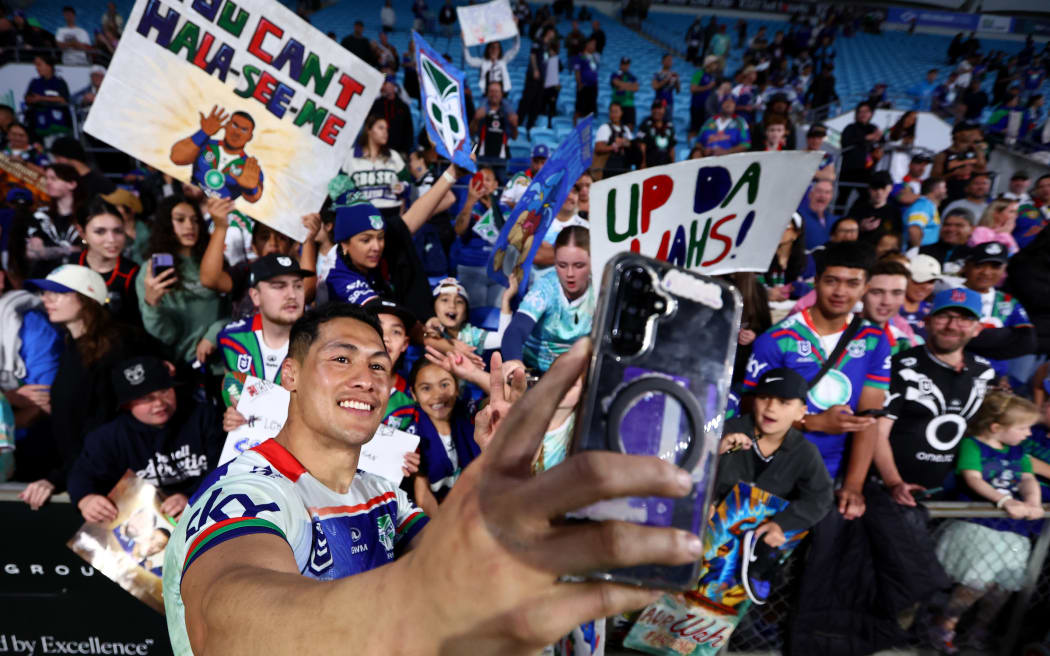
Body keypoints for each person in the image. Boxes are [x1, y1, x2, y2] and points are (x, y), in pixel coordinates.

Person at [162, 302, 702, 655]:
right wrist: (414, 604)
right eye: (341, 358)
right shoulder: (248, 490)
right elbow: (227, 619)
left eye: (378, 365)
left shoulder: (377, 491)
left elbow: (457, 550)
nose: (365, 378)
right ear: (291, 375)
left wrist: (495, 468)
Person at [744, 240, 889, 509]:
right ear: (816, 281)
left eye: (852, 283)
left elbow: (869, 418)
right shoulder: (777, 339)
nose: (840, 292)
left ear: (866, 288)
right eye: (831, 281)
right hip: (772, 475)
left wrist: (853, 487)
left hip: (832, 480)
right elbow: (751, 407)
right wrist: (813, 422)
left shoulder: (874, 340)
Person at [18, 265, 152, 511]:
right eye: (45, 293)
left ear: (86, 298)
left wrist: (58, 477)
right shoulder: (73, 346)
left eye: (57, 293)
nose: (46, 299)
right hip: (87, 478)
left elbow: (108, 426)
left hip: (116, 488)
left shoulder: (118, 347)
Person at [928, 392, 1043, 653]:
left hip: (1010, 531)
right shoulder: (972, 445)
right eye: (1023, 428)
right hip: (979, 524)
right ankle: (945, 625)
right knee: (973, 585)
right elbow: (973, 478)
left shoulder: (1018, 451)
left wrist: (1032, 502)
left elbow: (1027, 479)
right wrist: (1004, 502)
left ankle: (979, 629)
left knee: (1001, 590)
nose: (1027, 434)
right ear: (996, 427)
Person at [715, 368, 833, 604]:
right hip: (707, 528)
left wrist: (782, 525)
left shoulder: (804, 453)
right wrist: (716, 451)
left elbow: (821, 496)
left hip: (757, 533)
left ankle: (759, 561)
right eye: (763, 398)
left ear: (801, 412)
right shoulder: (730, 432)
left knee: (721, 607)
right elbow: (686, 468)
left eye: (784, 402)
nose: (771, 407)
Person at [876, 286, 994, 510]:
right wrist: (894, 483)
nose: (952, 326)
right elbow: (877, 433)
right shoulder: (900, 366)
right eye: (944, 316)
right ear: (927, 321)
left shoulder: (983, 372)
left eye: (964, 319)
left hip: (948, 492)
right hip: (892, 492)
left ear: (977, 328)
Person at [68, 355, 224, 523]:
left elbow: (226, 468)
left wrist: (193, 497)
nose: (159, 403)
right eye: (146, 398)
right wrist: (86, 499)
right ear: (127, 404)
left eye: (164, 391)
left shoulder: (203, 416)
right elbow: (81, 475)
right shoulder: (110, 437)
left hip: (209, 513)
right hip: (144, 526)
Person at [326, 161, 462, 321]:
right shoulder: (337, 273)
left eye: (381, 237)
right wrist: (424, 332)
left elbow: (412, 219)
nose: (376, 247)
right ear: (344, 245)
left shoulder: (370, 251)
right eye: (365, 240)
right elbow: (382, 313)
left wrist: (452, 173)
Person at [136, 197, 227, 371]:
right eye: (180, 219)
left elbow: (238, 309)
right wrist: (152, 304)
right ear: (165, 224)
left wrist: (215, 333)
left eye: (195, 220)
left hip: (228, 356)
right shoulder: (149, 272)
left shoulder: (214, 261)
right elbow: (168, 335)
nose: (189, 226)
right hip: (186, 366)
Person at [217, 254, 311, 415]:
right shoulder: (231, 338)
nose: (292, 295)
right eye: (279, 286)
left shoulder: (320, 342)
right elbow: (230, 384)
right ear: (255, 296)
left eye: (298, 286)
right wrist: (234, 415)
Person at [502, 226, 594, 374]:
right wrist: (515, 363)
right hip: (538, 371)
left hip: (578, 373)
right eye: (562, 265)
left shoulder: (600, 290)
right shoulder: (546, 287)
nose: (569, 274)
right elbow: (516, 330)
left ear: (592, 262)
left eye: (579, 265)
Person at [406, 357, 481, 516]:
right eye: (426, 388)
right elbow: (423, 494)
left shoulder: (471, 414)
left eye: (445, 384)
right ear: (414, 393)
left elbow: (507, 402)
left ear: (458, 387)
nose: (438, 395)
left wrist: (475, 374)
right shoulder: (411, 434)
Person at [961, 242, 1037, 384]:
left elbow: (1028, 342)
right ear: (967, 265)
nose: (987, 272)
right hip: (958, 373)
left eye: (995, 266)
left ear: (1004, 269)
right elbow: (953, 335)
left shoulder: (1008, 301)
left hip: (996, 378)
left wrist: (973, 340)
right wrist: (1004, 336)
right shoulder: (951, 295)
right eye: (979, 265)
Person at [169, 107, 263, 203]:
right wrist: (203, 133)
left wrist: (249, 189)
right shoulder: (205, 144)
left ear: (250, 137)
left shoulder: (250, 167)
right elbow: (176, 158)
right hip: (187, 199)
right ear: (226, 126)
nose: (237, 133)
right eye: (234, 125)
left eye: (244, 130)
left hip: (217, 210)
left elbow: (254, 198)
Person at [74, 197, 141, 328]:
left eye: (118, 231)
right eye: (100, 232)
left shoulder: (132, 274)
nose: (111, 239)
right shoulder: (69, 267)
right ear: (82, 233)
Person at [451, 166, 502, 307]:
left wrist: (492, 208)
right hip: (471, 267)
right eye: (480, 179)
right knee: (474, 315)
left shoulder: (504, 208)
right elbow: (459, 230)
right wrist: (470, 201)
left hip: (497, 270)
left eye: (488, 180)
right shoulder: (469, 206)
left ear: (496, 185)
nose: (484, 183)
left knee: (497, 316)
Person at [342, 115, 410, 221]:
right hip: (362, 215)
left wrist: (402, 187)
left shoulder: (393, 156)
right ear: (369, 130)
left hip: (392, 214)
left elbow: (407, 183)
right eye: (380, 128)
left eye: (386, 129)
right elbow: (342, 190)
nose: (385, 132)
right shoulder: (351, 156)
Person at [25, 163, 82, 278]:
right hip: (44, 278)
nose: (48, 182)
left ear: (72, 184)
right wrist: (69, 250)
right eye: (47, 178)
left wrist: (48, 250)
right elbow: (32, 253)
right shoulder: (41, 215)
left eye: (54, 179)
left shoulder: (86, 215)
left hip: (78, 278)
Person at [863, 260, 921, 355]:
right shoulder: (838, 332)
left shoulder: (902, 342)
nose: (886, 302)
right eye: (877, 292)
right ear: (862, 292)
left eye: (896, 293)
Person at [836, 101, 883, 213]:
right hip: (849, 169)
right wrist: (867, 137)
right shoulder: (850, 128)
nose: (863, 114)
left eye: (866, 111)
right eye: (860, 111)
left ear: (871, 114)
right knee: (842, 198)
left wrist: (880, 139)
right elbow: (846, 142)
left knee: (867, 197)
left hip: (866, 171)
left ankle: (854, 215)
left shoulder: (873, 128)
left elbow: (881, 142)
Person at [24, 55, 73, 144]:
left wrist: (40, 98)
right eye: (36, 65)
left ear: (49, 66)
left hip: (58, 125)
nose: (37, 68)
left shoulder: (59, 82)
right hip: (37, 125)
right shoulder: (34, 82)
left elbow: (63, 100)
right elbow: (27, 99)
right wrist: (32, 100)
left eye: (39, 65)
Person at [50, 136, 116, 201]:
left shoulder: (100, 183)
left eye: (57, 157)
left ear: (68, 156)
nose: (56, 161)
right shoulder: (73, 179)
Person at [849, 171, 899, 246]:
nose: (879, 192)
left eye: (883, 188)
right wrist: (860, 227)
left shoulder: (894, 212)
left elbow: (897, 236)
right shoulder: (858, 208)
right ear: (869, 189)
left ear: (890, 188)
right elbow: (846, 231)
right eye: (875, 188)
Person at [918, 208, 973, 276]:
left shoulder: (975, 256)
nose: (951, 229)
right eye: (947, 224)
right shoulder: (920, 251)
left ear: (972, 229)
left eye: (958, 225)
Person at [472, 82, 518, 160]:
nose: (494, 94)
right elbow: (472, 133)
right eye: (491, 91)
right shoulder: (481, 110)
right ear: (487, 94)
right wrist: (475, 120)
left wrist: (514, 126)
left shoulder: (508, 112)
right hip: (482, 156)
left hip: (501, 158)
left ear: (502, 94)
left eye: (496, 91)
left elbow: (514, 137)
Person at [369, 77, 414, 156]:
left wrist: (407, 149)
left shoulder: (403, 106)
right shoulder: (376, 105)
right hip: (379, 146)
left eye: (390, 85)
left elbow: (408, 129)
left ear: (394, 87)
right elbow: (370, 125)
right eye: (386, 85)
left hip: (399, 148)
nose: (388, 88)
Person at [899, 254, 941, 339]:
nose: (925, 287)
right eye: (919, 280)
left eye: (930, 281)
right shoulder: (887, 308)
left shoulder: (935, 312)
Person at [593, 102, 637, 177]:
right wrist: (614, 146)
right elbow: (598, 148)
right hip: (608, 168)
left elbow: (632, 144)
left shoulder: (625, 129)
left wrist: (623, 142)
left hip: (623, 168)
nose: (614, 114)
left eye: (616, 111)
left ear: (621, 113)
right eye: (611, 112)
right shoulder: (604, 128)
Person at [500, 144, 548, 210]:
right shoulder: (519, 177)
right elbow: (504, 201)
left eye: (543, 162)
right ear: (531, 160)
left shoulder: (552, 181)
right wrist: (521, 209)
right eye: (536, 162)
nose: (539, 167)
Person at [906, 177, 947, 248]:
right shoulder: (923, 205)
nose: (946, 190)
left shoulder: (929, 205)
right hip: (920, 251)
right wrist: (916, 250)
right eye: (943, 187)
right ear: (935, 190)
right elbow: (914, 229)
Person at [636, 100, 676, 169]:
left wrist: (673, 164)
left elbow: (672, 147)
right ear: (651, 110)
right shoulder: (645, 124)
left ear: (664, 110)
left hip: (666, 165)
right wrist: (643, 162)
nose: (657, 111)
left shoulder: (669, 125)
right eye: (654, 108)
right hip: (649, 165)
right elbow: (641, 145)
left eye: (659, 108)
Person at [798, 179, 836, 252]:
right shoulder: (799, 216)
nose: (822, 195)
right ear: (810, 194)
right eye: (819, 191)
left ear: (831, 197)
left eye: (827, 192)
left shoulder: (834, 220)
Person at [688, 56, 719, 140]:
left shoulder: (712, 76)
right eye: (714, 64)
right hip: (697, 106)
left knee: (704, 130)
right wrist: (707, 87)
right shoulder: (699, 73)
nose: (716, 66)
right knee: (694, 130)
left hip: (707, 108)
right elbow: (692, 88)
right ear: (708, 64)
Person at [571, 37, 600, 125]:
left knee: (590, 110)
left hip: (593, 87)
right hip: (583, 86)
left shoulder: (594, 58)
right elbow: (577, 71)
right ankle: (576, 128)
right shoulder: (579, 57)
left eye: (595, 45)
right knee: (580, 109)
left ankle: (586, 130)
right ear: (587, 45)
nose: (594, 46)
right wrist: (579, 83)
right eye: (592, 44)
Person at [609, 57, 639, 129]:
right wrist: (630, 86)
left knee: (630, 126)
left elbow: (636, 88)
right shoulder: (615, 74)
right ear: (620, 64)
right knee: (615, 126)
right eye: (623, 64)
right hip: (616, 104)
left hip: (629, 104)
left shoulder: (632, 76)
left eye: (627, 64)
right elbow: (615, 82)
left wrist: (622, 85)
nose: (625, 66)